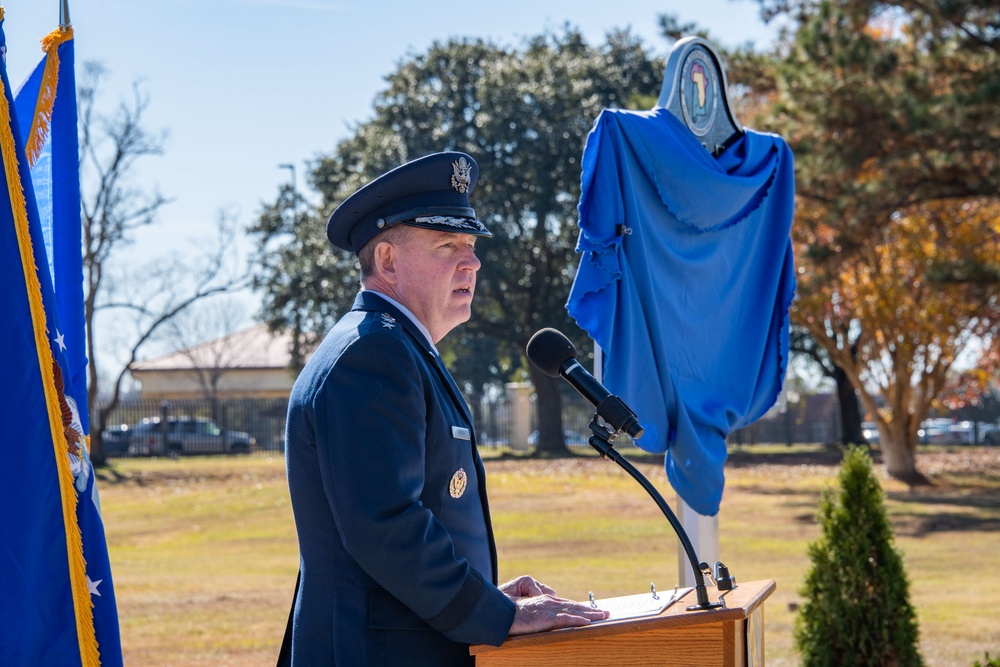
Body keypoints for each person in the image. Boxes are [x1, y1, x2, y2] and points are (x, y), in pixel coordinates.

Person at [280, 151, 608, 666]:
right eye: (447, 244)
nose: (472, 261)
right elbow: (387, 527)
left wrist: (488, 598)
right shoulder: (372, 354)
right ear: (387, 261)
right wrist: (500, 616)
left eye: (472, 245)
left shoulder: (397, 349)